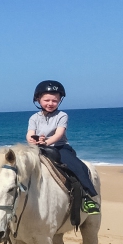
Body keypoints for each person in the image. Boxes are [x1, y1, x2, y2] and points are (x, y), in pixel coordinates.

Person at [27, 80, 99, 214]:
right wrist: (34, 140)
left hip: (59, 148)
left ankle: (88, 197)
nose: (50, 103)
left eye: (54, 101)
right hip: (38, 148)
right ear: (38, 99)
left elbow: (59, 134)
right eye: (46, 100)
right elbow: (30, 134)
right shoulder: (34, 118)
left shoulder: (62, 115)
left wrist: (46, 142)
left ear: (60, 100)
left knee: (78, 167)